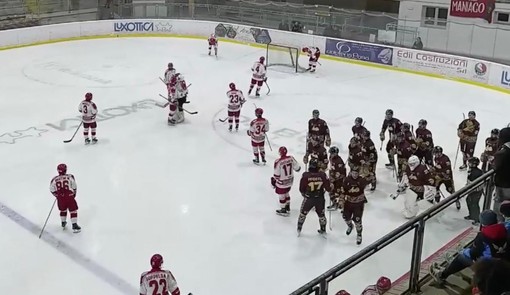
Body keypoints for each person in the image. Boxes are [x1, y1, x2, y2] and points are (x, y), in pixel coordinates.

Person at [429, 210, 510, 285]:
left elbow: (473, 254)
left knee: (462, 258)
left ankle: (441, 275)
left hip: (488, 267)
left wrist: (462, 251)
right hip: (503, 262)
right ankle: (452, 265)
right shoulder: (505, 228)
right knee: (475, 248)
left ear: (483, 223)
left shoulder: (482, 236)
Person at [297, 159, 330, 237]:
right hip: (320, 198)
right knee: (321, 215)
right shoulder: (322, 175)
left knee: (303, 213)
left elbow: (301, 188)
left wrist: (304, 194)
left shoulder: (306, 175)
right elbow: (328, 188)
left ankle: (299, 228)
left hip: (309, 198)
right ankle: (323, 229)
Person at [341, 166, 369, 245]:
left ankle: (359, 234)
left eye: (356, 173)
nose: (355, 175)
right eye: (353, 173)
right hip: (348, 202)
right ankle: (350, 226)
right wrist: (341, 200)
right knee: (345, 217)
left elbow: (370, 178)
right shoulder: (347, 180)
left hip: (358, 203)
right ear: (351, 172)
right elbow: (343, 191)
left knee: (357, 220)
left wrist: (367, 172)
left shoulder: (361, 180)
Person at [50, 163, 81, 232]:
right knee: (73, 210)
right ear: (66, 170)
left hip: (60, 197)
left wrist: (57, 195)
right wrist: (73, 194)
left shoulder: (54, 179)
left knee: (63, 210)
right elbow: (74, 186)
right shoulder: (70, 177)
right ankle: (74, 225)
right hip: (69, 196)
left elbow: (52, 189)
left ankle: (63, 222)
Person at [272, 146, 301, 216]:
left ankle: (283, 209)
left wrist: (273, 181)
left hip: (282, 182)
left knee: (282, 195)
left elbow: (277, 175)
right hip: (290, 181)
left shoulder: (278, 162)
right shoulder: (291, 158)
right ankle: (287, 206)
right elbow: (298, 168)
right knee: (286, 192)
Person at [493, 127, 510, 221]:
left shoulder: (502, 153)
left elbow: (496, 167)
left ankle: (500, 225)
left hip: (503, 185)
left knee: (500, 207)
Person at [464, 157, 484, 224]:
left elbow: (473, 183)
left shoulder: (476, 172)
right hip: (473, 190)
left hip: (476, 191)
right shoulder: (472, 170)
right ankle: (472, 215)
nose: (468, 163)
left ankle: (477, 219)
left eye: (470, 163)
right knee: (469, 201)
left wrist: (468, 187)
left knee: (474, 204)